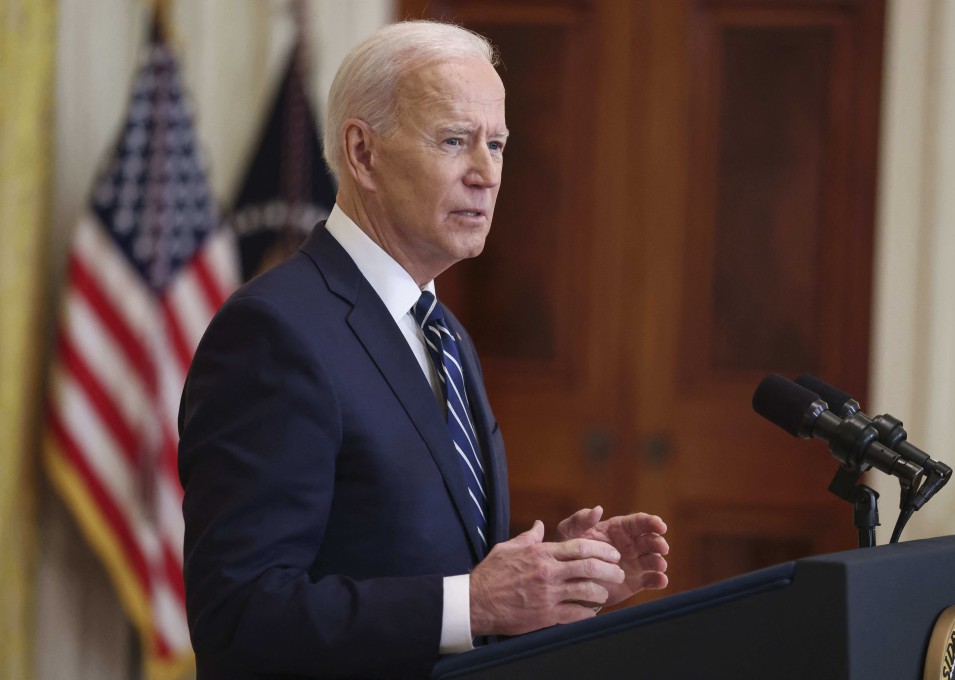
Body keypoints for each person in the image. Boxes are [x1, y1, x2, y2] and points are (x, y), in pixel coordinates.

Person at [178, 20, 669, 679]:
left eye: (496, 144)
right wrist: (476, 601)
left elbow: (417, 558)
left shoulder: (444, 332)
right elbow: (238, 618)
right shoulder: (275, 333)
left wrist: (554, 575)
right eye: (454, 141)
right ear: (363, 153)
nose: (486, 173)